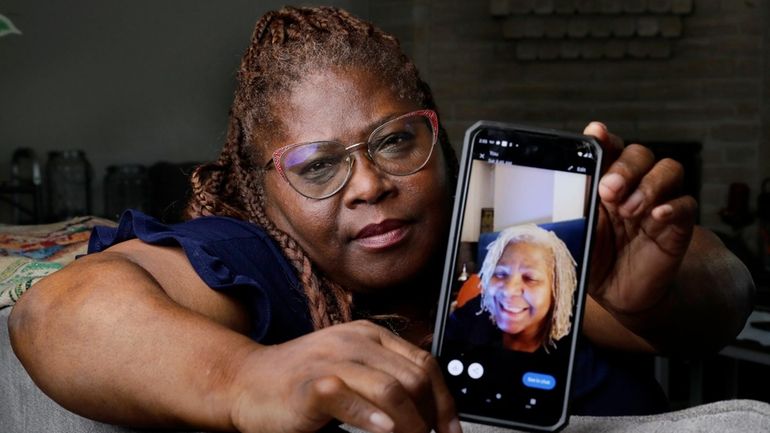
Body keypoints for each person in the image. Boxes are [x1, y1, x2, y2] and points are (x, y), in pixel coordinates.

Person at [7, 5, 754, 433]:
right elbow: (59, 313)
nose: (369, 184)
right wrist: (246, 376)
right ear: (265, 192)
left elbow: (725, 297)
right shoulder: (261, 259)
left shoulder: (508, 235)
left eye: (396, 140)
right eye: (318, 166)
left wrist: (655, 285)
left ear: (438, 137)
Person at [449, 224, 577, 353]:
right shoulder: (477, 314)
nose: (508, 290)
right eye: (500, 274)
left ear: (556, 290)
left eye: (530, 278)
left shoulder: (575, 357)